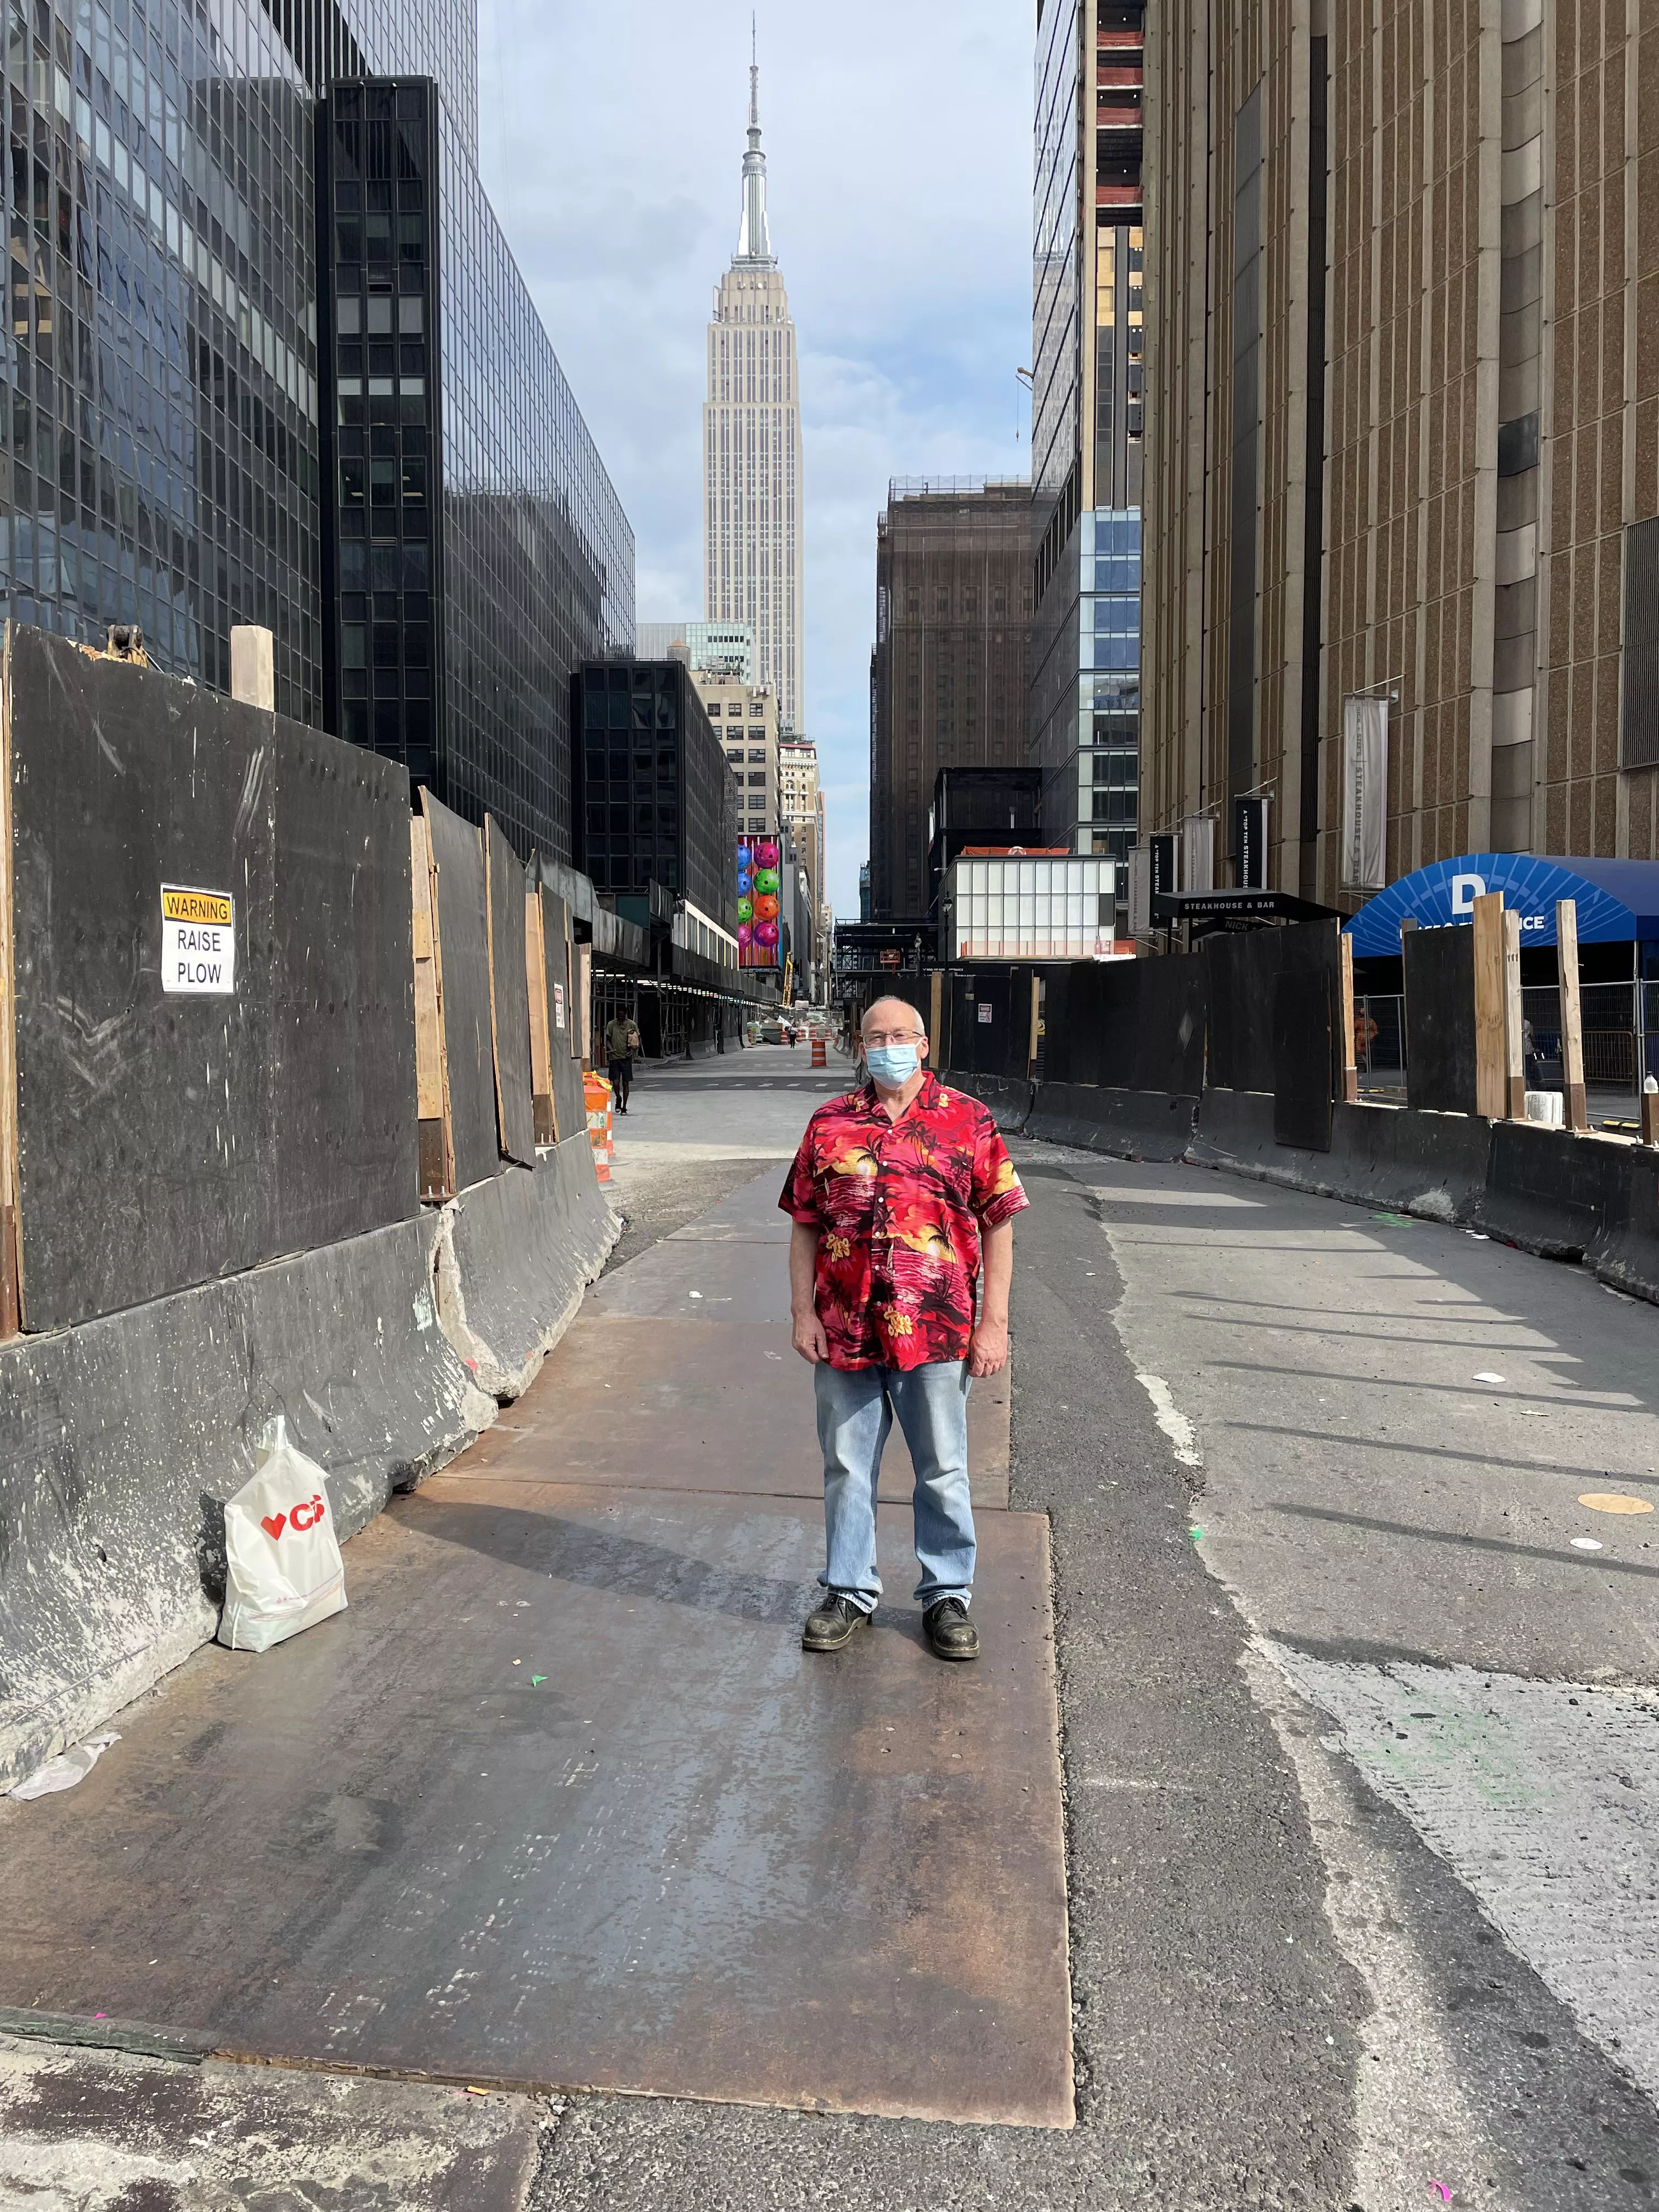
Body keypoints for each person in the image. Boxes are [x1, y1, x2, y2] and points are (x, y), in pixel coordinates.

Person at [780, 995, 1029, 1662]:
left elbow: (999, 1223)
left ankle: (948, 1595)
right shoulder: (829, 1124)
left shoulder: (968, 1122)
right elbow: (805, 1221)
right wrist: (803, 1312)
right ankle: (847, 1591)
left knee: (942, 1469)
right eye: (875, 1037)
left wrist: (994, 1325)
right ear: (860, 1048)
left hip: (938, 1330)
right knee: (846, 1466)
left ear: (924, 1045)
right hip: (846, 1327)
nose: (888, 1045)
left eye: (901, 1035)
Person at [602, 1009, 641, 1114]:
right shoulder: (611, 1025)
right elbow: (607, 1039)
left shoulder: (632, 1025)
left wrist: (633, 1051)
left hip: (626, 1058)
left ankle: (624, 1107)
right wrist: (611, 1049)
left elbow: (638, 1039)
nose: (620, 1019)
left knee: (625, 1082)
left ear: (626, 1016)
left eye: (622, 1017)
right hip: (614, 1058)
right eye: (619, 1017)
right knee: (615, 1082)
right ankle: (618, 1098)